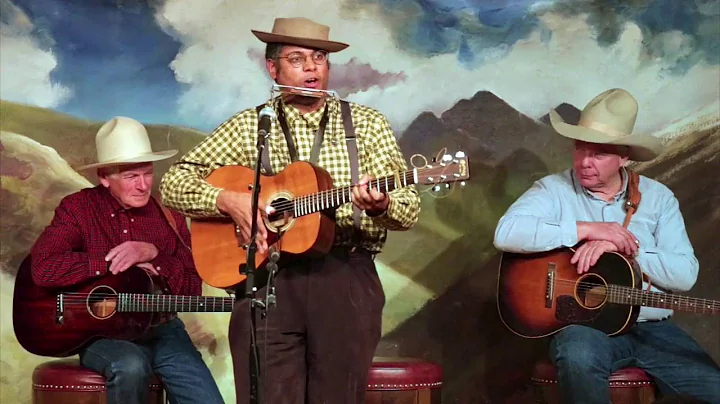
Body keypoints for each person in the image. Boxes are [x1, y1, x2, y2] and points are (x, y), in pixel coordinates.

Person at [159, 16, 421, 404]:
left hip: (344, 277)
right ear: (273, 67)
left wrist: (381, 204)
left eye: (319, 57)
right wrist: (228, 201)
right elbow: (172, 184)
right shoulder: (251, 125)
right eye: (298, 59)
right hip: (267, 280)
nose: (312, 67)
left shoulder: (365, 125)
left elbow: (409, 208)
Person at [493, 88, 720, 403]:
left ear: (624, 156)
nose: (585, 162)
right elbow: (506, 232)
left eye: (598, 154)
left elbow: (685, 275)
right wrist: (589, 230)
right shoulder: (552, 190)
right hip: (587, 329)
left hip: (653, 329)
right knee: (579, 354)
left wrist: (627, 249)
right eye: (579, 149)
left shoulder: (659, 198)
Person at [30, 117, 225, 404]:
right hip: (104, 335)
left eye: (147, 173)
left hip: (164, 331)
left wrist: (153, 254)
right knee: (130, 367)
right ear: (105, 177)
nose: (144, 185)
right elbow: (42, 268)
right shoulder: (77, 209)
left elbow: (192, 288)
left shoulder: (168, 216)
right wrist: (111, 265)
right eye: (132, 176)